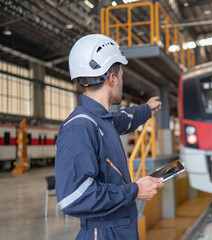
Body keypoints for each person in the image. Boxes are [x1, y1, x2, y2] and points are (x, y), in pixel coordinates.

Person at [55, 34, 164, 240]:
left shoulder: (101, 120)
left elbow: (125, 118)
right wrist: (133, 191)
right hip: (103, 234)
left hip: (117, 230)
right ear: (112, 79)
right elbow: (73, 197)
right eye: (121, 76)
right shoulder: (79, 127)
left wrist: (147, 108)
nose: (122, 81)